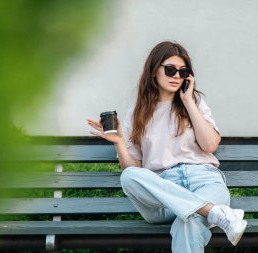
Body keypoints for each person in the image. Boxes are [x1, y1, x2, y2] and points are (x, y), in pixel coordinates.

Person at [87, 41, 247, 253]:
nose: (176, 76)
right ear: (154, 71)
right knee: (129, 176)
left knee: (188, 221)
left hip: (204, 182)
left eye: (183, 72)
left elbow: (209, 145)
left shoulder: (195, 102)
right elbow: (133, 168)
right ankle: (214, 213)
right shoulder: (137, 113)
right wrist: (119, 142)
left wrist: (188, 101)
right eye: (170, 70)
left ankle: (206, 210)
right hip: (162, 198)